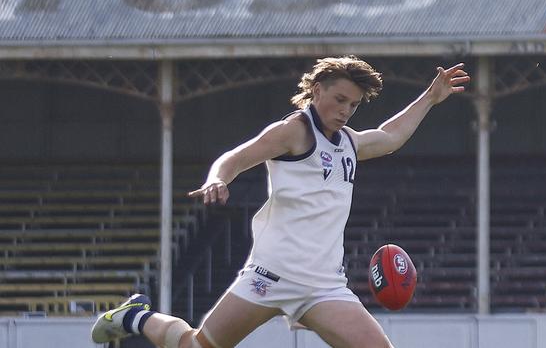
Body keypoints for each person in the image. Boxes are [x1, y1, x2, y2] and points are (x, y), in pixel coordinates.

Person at [91, 56, 470, 348]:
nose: (345, 111)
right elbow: (238, 156)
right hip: (270, 275)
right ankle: (134, 317)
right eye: (339, 100)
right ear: (317, 89)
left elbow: (389, 137)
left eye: (353, 105)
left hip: (323, 285)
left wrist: (430, 99)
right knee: (197, 345)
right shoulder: (294, 132)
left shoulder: (349, 142)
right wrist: (217, 179)